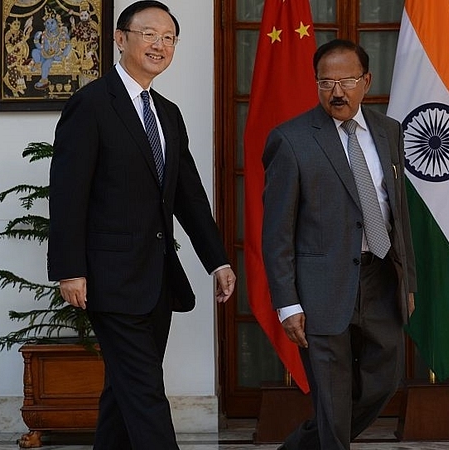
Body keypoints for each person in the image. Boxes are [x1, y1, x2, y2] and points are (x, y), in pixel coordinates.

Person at [47, 2, 236, 449]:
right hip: (110, 279)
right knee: (147, 392)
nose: (160, 44)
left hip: (156, 278)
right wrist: (69, 268)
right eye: (149, 33)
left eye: (168, 37)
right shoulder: (90, 105)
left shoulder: (167, 113)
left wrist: (217, 260)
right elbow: (68, 193)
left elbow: (187, 195)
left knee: (125, 392)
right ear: (120, 37)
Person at [261, 39, 416, 450]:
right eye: (326, 82)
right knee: (331, 400)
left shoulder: (389, 131)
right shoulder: (291, 140)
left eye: (347, 80)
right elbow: (276, 231)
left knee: (383, 383)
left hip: (381, 277)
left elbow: (398, 214)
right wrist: (287, 302)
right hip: (320, 289)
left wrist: (408, 282)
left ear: (366, 81)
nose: (337, 91)